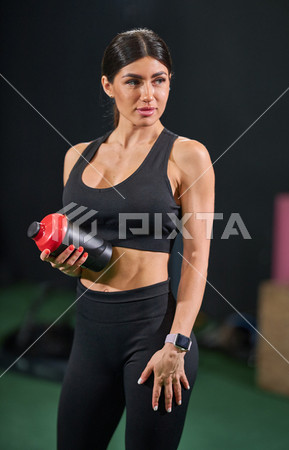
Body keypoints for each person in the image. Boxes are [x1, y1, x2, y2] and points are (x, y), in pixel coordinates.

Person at [41, 27, 215, 450]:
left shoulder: (187, 155)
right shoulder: (77, 156)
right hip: (91, 331)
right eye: (133, 81)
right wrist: (67, 262)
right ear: (108, 85)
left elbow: (196, 255)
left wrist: (177, 343)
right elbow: (82, 247)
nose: (148, 95)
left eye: (159, 80)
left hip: (155, 333)